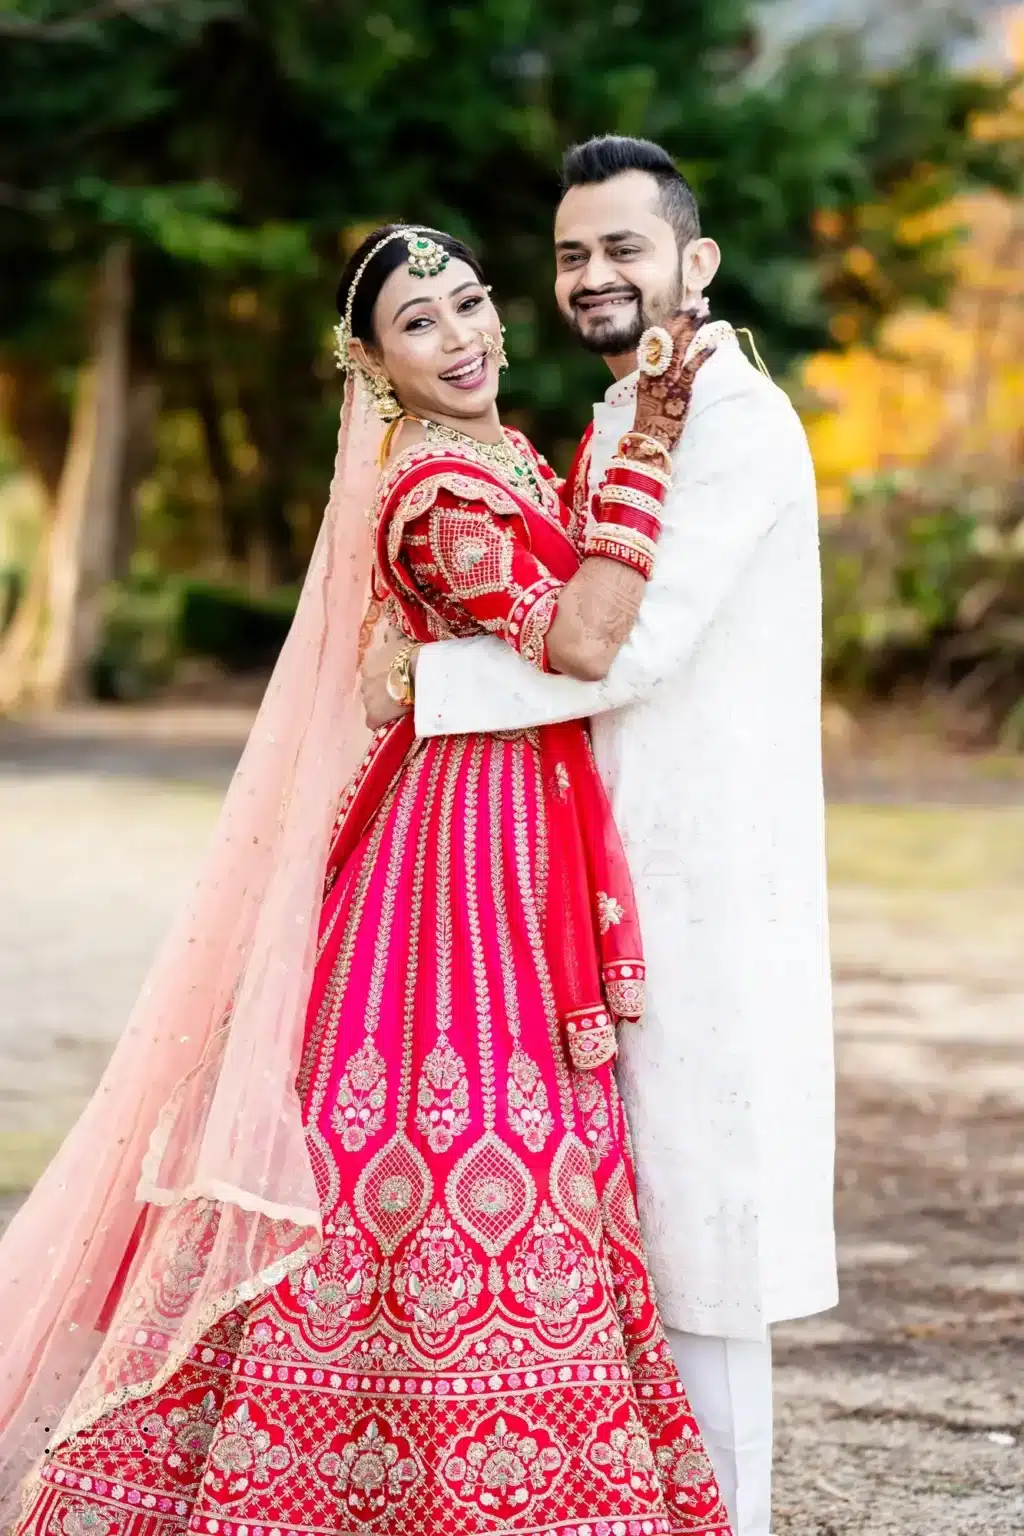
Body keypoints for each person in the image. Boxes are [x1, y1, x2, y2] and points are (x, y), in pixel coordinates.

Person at [0, 223, 733, 1536]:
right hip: (451, 865)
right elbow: (580, 634)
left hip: (514, 831)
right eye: (419, 322)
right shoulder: (436, 490)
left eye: (468, 302)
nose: (461, 336)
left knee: (514, 1145)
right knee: (439, 1144)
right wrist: (655, 453)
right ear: (373, 362)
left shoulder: (502, 452)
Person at [362, 138, 838, 1536]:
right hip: (604, 873)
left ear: (696, 263)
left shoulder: (731, 419)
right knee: (643, 1222)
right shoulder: (623, 415)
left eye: (625, 247)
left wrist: (424, 688)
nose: (593, 274)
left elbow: (626, 652)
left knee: (708, 1229)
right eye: (572, 253)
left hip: (703, 873)